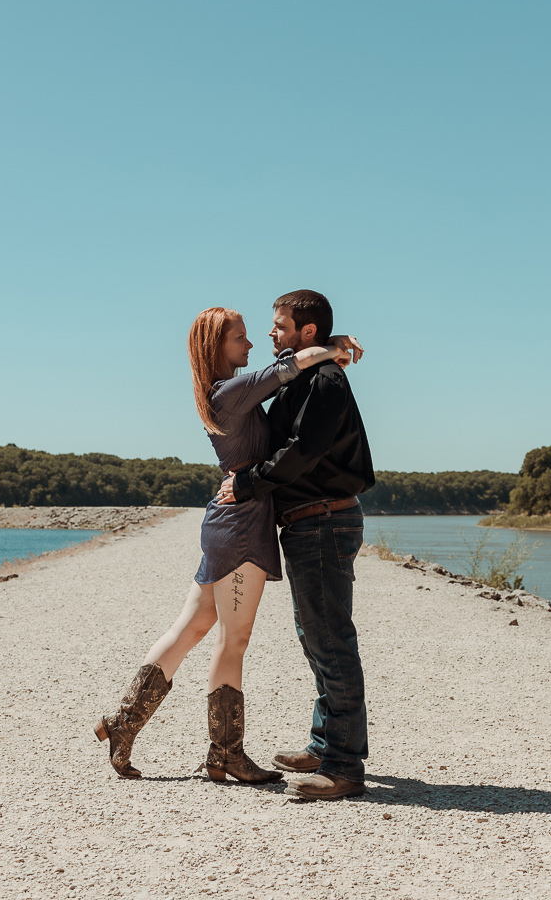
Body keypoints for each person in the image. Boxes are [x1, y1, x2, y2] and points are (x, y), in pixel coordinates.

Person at [95, 308, 361, 781]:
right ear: (217, 346)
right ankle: (225, 755)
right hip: (242, 526)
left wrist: (331, 341)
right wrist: (334, 346)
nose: (251, 344)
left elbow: (288, 361)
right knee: (231, 639)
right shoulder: (231, 391)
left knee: (191, 627)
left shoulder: (222, 391)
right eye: (241, 338)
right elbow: (288, 367)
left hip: (228, 521)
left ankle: (122, 723)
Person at [217, 289, 375, 801]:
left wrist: (246, 483)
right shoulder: (306, 372)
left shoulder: (325, 380)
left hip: (325, 521)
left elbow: (301, 452)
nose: (270, 333)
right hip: (309, 523)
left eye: (279, 325)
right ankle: (325, 743)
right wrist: (332, 344)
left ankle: (344, 767)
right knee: (316, 636)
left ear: (307, 331)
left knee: (330, 640)